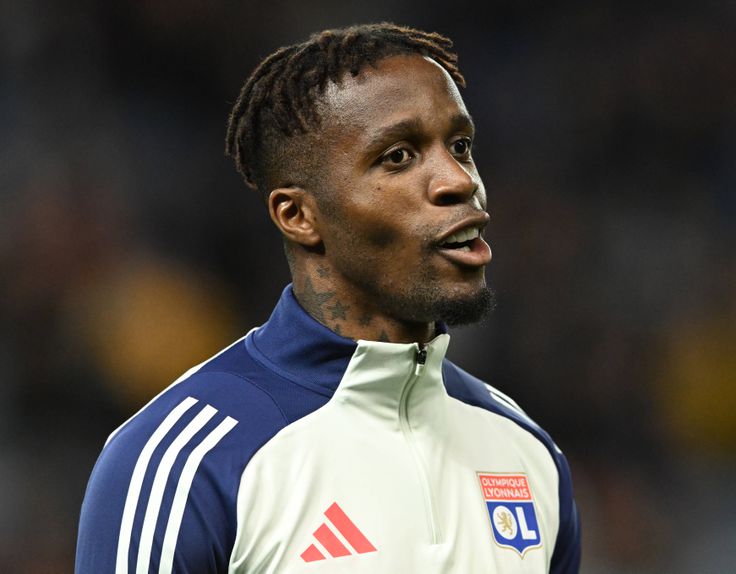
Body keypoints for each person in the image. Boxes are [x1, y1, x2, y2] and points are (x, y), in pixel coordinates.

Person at [75, 23, 580, 573]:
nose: (459, 181)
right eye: (398, 157)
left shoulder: (526, 451)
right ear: (298, 215)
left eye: (460, 146)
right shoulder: (187, 463)